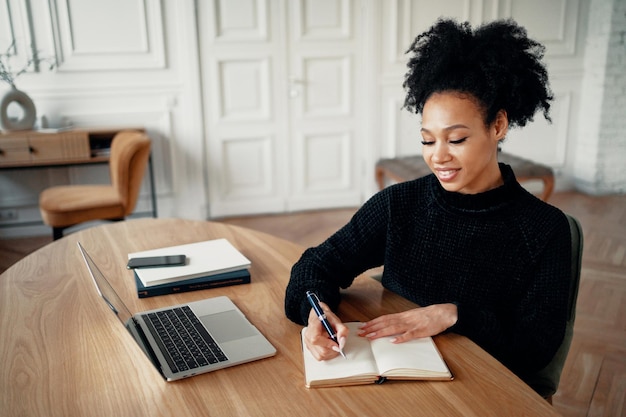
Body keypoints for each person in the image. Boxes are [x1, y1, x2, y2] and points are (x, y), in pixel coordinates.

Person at [284, 18, 572, 395]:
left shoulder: (543, 228)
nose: (439, 157)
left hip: (478, 391)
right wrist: (315, 313)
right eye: (427, 140)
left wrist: (452, 314)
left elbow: (535, 348)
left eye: (456, 139)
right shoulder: (400, 204)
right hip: (391, 385)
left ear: (498, 125)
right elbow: (315, 265)